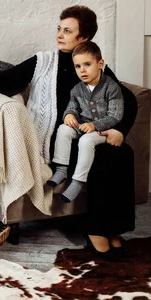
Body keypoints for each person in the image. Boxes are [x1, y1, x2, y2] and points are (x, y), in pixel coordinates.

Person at [0, 5, 137, 260]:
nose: (60, 34)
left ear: (84, 39)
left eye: (68, 31)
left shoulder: (92, 64)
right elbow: (1, 79)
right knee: (103, 159)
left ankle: (114, 230)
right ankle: (96, 231)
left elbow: (128, 99)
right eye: (59, 28)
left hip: (87, 133)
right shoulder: (43, 62)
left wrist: (120, 130)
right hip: (57, 141)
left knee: (123, 152)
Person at [47, 41, 124, 204]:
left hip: (103, 131)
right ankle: (61, 169)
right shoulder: (77, 89)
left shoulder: (112, 87)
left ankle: (78, 182)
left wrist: (95, 126)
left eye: (87, 64)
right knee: (63, 129)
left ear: (100, 63)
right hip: (82, 126)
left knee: (86, 140)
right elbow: (72, 107)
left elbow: (116, 115)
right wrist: (69, 115)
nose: (82, 70)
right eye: (78, 66)